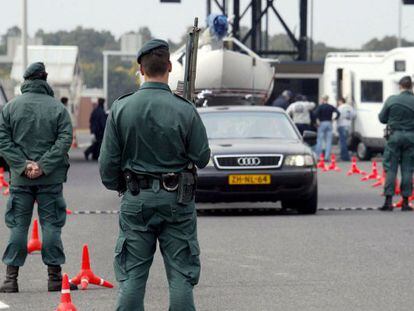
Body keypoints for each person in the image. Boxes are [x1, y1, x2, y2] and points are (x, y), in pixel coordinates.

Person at [99, 39, 211, 311]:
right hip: (178, 202)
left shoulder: (121, 108)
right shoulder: (184, 108)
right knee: (181, 276)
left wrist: (125, 187)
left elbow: (106, 167)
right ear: (170, 67)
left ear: (140, 68)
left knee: (132, 277)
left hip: (136, 199)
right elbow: (202, 157)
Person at [0, 62, 77, 293]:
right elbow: (65, 140)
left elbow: (3, 141)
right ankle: (54, 278)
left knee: (18, 227)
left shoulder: (10, 108)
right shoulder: (57, 108)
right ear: (45, 79)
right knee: (52, 225)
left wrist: (23, 165)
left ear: (26, 81)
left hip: (21, 180)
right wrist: (43, 166)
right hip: (50, 179)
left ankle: (10, 280)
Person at [378, 76, 414, 211]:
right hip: (411, 137)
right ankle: (405, 202)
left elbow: (382, 118)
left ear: (400, 86)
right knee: (408, 169)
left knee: (391, 168)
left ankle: (388, 201)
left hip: (394, 136)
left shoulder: (392, 100)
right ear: (411, 86)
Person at [314, 95, 340, 161]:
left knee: (319, 140)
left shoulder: (320, 107)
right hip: (329, 123)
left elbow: (315, 114)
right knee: (328, 141)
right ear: (327, 99)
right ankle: (327, 157)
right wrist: (334, 119)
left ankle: (318, 157)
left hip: (322, 123)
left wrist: (317, 121)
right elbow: (338, 113)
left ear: (322, 99)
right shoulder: (330, 106)